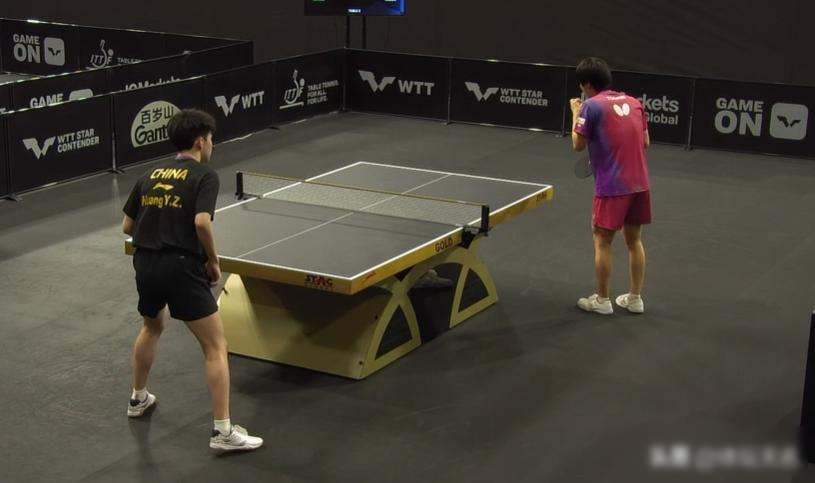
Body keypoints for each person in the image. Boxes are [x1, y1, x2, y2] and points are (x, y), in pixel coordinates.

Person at [122, 109, 263, 451]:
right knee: (215, 347)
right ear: (201, 141)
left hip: (146, 263)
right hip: (182, 267)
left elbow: (127, 226)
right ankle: (223, 432)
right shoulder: (204, 175)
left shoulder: (150, 173)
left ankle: (138, 398)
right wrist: (213, 260)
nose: (212, 144)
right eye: (211, 139)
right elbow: (201, 222)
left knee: (151, 327)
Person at [569, 57, 651, 315]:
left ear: (586, 85)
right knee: (634, 240)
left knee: (602, 241)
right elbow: (646, 143)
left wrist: (575, 111)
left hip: (612, 186)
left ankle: (603, 300)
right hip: (640, 184)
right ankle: (635, 299)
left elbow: (577, 144)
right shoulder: (634, 102)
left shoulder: (590, 106)